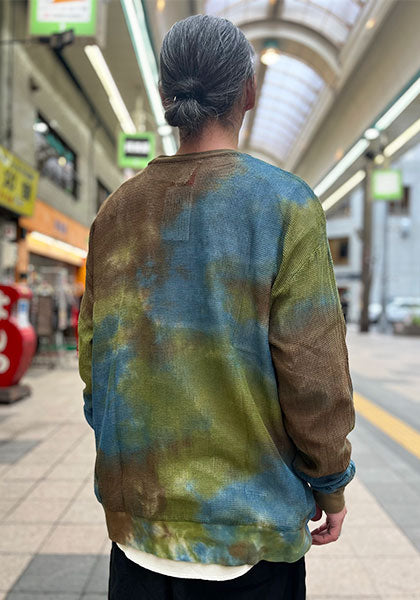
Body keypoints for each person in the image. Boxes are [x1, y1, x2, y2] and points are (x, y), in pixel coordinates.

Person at [77, 13, 356, 600]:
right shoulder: (285, 206)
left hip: (139, 534)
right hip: (251, 541)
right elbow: (313, 374)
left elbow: (94, 365)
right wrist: (329, 482)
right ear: (248, 93)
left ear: (165, 95)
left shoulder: (115, 214)